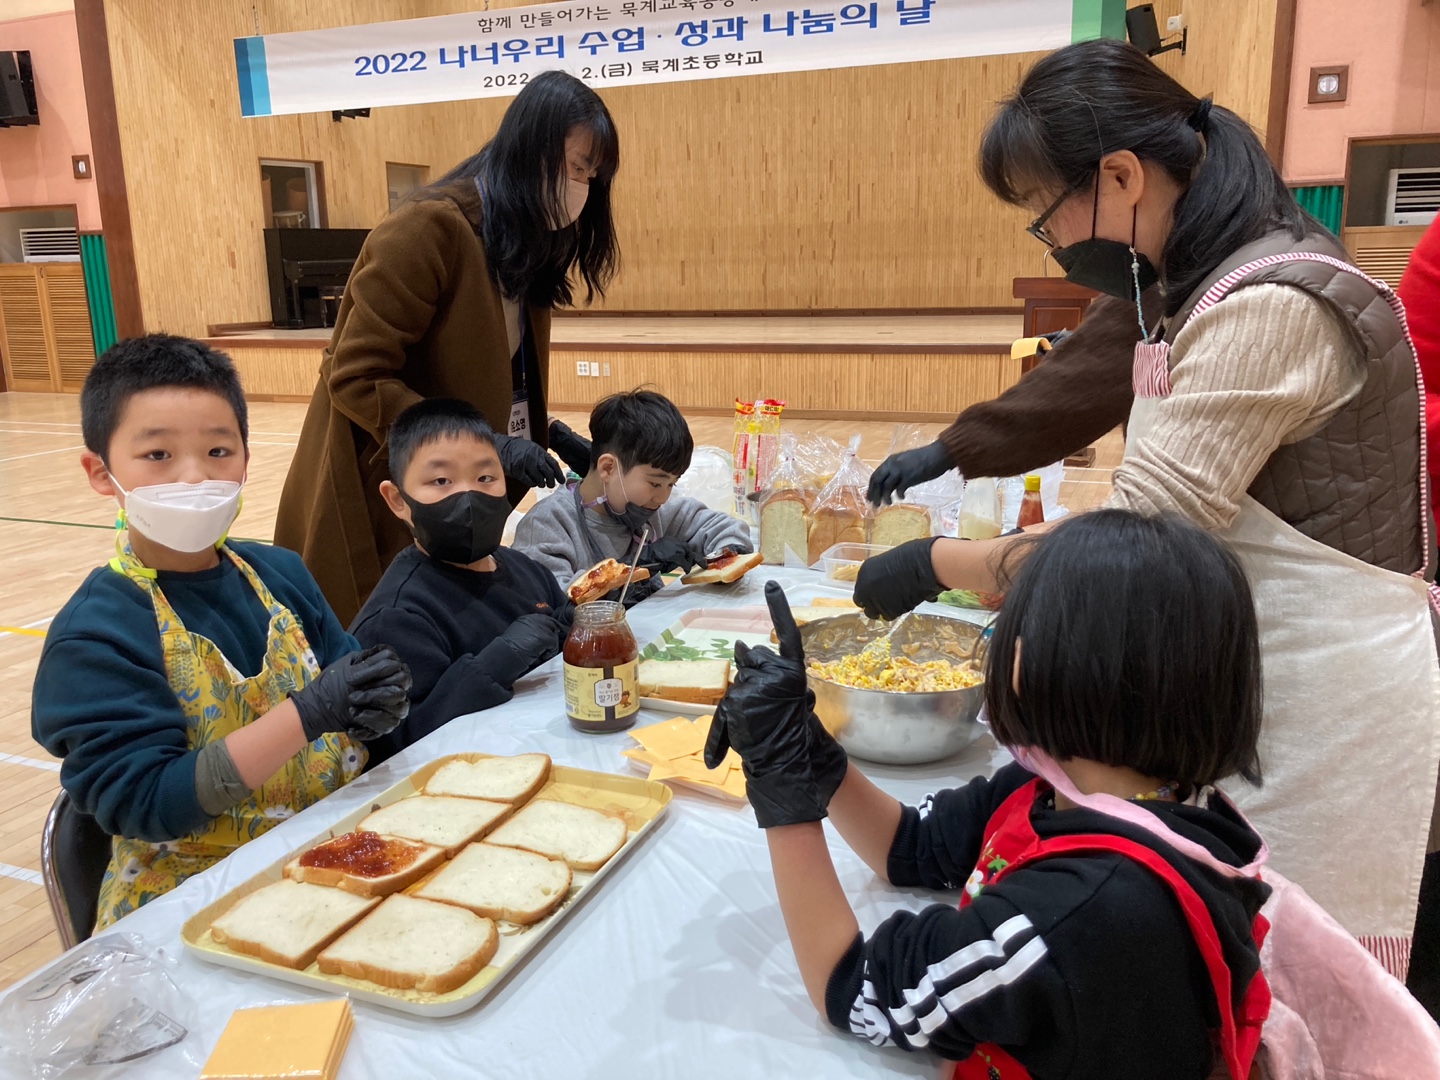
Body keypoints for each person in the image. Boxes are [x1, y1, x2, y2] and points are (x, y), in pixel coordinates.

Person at [853, 38, 1440, 986]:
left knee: (1284, 979)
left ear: (1121, 176)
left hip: (1311, 686)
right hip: (1235, 654)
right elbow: (1094, 384)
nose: (1053, 245)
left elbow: (1128, 548)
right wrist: (956, 456)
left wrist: (938, 563)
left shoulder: (1270, 305)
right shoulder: (1194, 267)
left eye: (1046, 219)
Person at [708, 514, 1272, 1078]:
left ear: (1067, 664)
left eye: (1013, 626)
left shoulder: (1078, 913)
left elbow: (854, 990)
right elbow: (911, 846)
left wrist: (779, 788)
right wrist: (806, 746)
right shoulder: (1068, 787)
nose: (997, 642)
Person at [32, 336, 411, 928]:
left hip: (331, 851)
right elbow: (149, 800)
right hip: (188, 903)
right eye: (158, 456)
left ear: (245, 459)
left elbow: (351, 697)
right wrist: (307, 715)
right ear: (101, 473)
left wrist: (376, 705)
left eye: (217, 450)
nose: (193, 476)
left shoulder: (280, 573)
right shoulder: (97, 632)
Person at [274, 70, 619, 625]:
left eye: (591, 174)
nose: (582, 185)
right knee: (378, 641)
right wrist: (484, 446)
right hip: (384, 482)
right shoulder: (428, 229)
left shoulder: (523, 241)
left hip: (453, 492)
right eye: (576, 167)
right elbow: (357, 375)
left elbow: (493, 372)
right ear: (528, 151)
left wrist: (543, 435)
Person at [350, 399, 572, 765]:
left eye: (486, 478)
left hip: (552, 749)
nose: (469, 496)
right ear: (398, 500)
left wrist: (602, 609)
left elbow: (567, 639)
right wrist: (493, 666)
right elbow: (400, 746)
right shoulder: (397, 618)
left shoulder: (526, 570)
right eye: (441, 481)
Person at [513, 389, 752, 602]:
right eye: (655, 483)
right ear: (608, 468)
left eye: (672, 484)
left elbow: (723, 528)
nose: (662, 498)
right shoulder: (548, 525)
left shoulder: (652, 511)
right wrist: (636, 565)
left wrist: (726, 554)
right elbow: (557, 602)